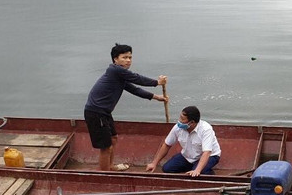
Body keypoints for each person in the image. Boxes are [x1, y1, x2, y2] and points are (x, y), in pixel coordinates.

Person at [84, 43, 167, 171]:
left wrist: (156, 97)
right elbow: (137, 78)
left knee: (113, 138)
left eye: (130, 57)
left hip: (104, 113)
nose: (128, 60)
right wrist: (156, 82)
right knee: (106, 147)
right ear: (115, 59)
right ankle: (105, 175)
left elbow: (134, 89)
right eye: (124, 57)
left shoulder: (120, 76)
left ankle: (110, 167)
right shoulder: (115, 70)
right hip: (96, 113)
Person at [146, 106, 221, 177]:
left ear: (191, 122)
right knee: (167, 168)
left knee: (197, 174)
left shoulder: (206, 129)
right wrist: (154, 163)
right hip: (188, 156)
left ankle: (207, 172)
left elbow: (207, 152)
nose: (179, 121)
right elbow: (167, 144)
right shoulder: (177, 128)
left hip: (210, 156)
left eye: (182, 119)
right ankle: (195, 167)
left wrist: (197, 170)